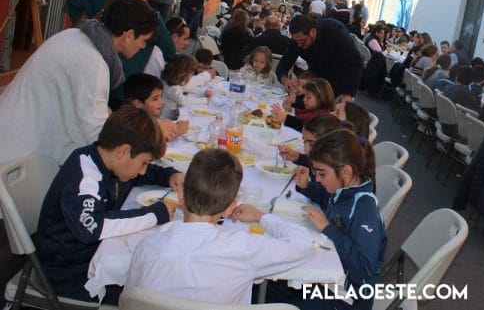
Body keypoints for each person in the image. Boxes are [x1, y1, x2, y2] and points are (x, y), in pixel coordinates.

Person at [126, 148, 314, 305]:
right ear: (230, 207)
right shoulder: (244, 249)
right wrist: (260, 216)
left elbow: (130, 299)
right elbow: (303, 244)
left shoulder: (148, 246)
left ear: (181, 194)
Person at [34, 106, 184, 303]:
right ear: (123, 151)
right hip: (67, 270)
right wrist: (154, 214)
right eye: (144, 162)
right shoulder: (84, 176)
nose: (142, 171)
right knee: (151, 294)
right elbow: (94, 227)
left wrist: (169, 175)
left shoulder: (111, 162)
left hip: (90, 255)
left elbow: (140, 174)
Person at [0, 0, 161, 164]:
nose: (143, 47)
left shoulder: (74, 36)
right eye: (144, 40)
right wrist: (147, 133)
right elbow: (99, 135)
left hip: (15, 135)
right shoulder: (92, 63)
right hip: (19, 154)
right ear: (129, 35)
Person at [293, 129, 386, 310]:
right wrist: (306, 187)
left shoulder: (365, 210)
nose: (318, 179)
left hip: (345, 299)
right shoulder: (345, 191)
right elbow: (326, 200)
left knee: (271, 294)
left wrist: (328, 228)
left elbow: (364, 270)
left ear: (346, 172)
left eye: (321, 174)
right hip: (330, 276)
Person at [65, 0, 177, 82]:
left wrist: (86, 30)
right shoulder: (151, 17)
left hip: (87, 66)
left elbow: (73, 3)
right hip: (119, 81)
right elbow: (170, 50)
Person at [276, 14, 364, 99]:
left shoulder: (333, 29)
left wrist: (348, 94)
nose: (299, 45)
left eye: (302, 41)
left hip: (341, 79)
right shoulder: (297, 41)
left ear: (312, 31)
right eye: (296, 41)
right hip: (316, 83)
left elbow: (356, 62)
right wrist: (285, 80)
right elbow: (282, 65)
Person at [124, 73, 190, 137]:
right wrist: (175, 130)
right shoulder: (132, 124)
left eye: (161, 96)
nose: (162, 102)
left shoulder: (144, 116)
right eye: (155, 99)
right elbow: (147, 141)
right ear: (138, 103)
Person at [271, 78, 335, 132]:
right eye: (304, 96)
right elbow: (303, 112)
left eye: (308, 97)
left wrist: (285, 117)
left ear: (320, 98)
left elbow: (301, 120)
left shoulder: (321, 115)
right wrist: (290, 109)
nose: (304, 99)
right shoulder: (314, 108)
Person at [160, 54, 209, 120]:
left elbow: (187, 88)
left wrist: (203, 92)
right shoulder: (172, 86)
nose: (192, 75)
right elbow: (183, 101)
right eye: (192, 72)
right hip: (167, 117)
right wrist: (205, 100)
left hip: (171, 114)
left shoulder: (172, 82)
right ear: (184, 73)